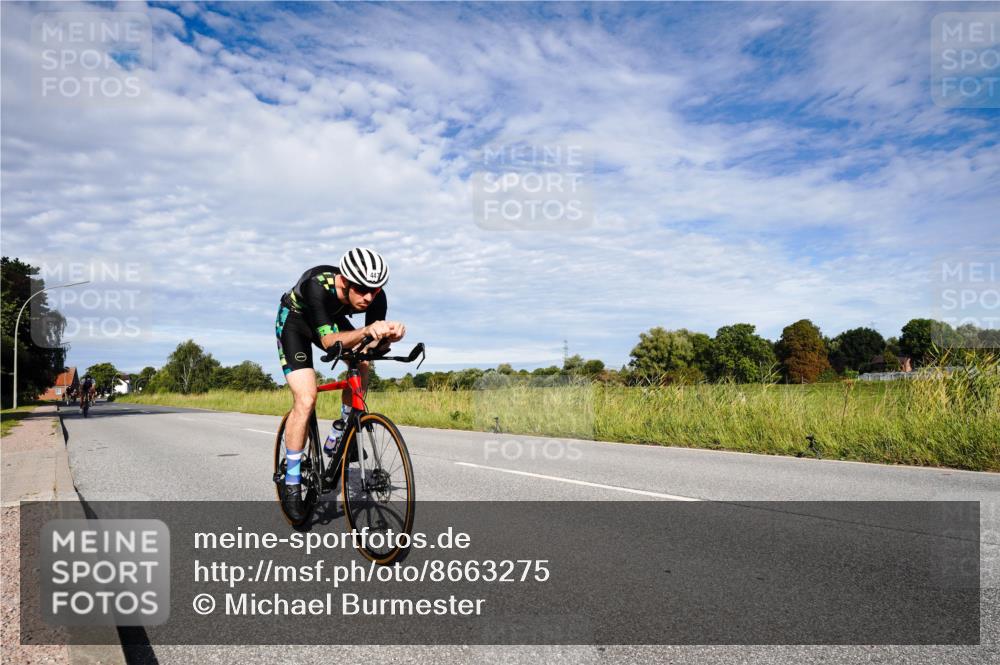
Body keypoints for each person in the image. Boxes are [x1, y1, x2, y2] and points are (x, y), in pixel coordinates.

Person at [275, 248, 406, 520]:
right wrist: (366, 331)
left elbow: (371, 346)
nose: (369, 297)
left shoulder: (375, 297)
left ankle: (340, 431)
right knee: (306, 399)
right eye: (362, 289)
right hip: (296, 322)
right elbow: (328, 342)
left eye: (375, 290)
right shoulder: (316, 285)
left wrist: (387, 339)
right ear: (345, 281)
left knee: (363, 363)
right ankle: (292, 480)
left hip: (330, 322)